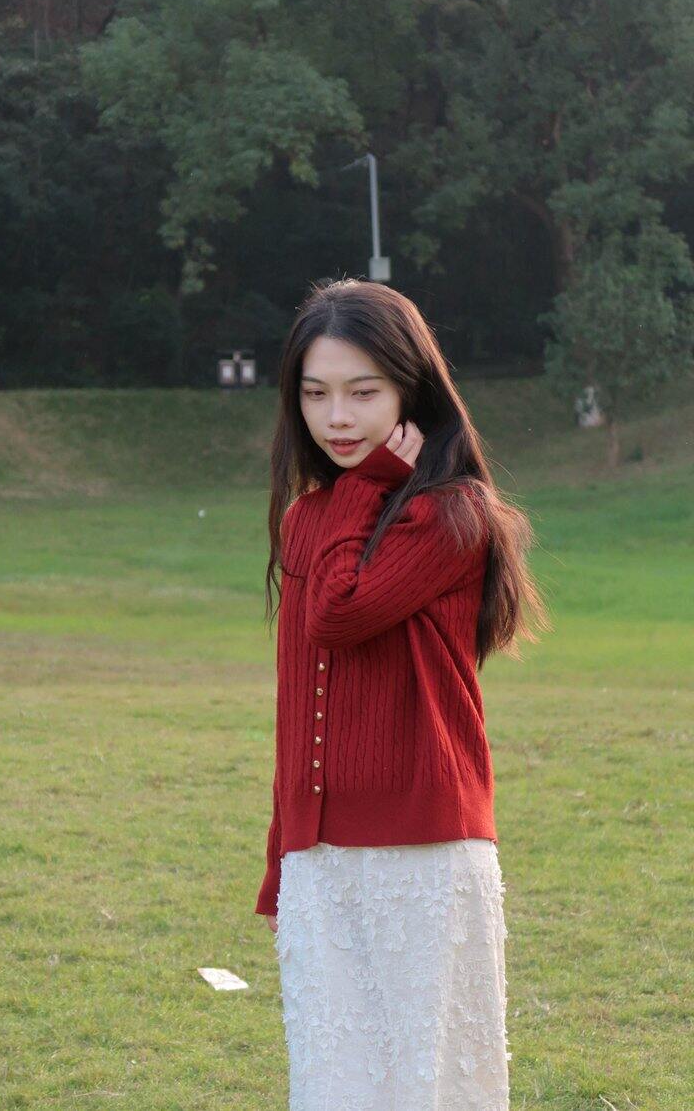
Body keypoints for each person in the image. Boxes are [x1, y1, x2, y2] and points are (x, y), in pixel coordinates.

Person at [254, 276, 551, 1111]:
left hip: (424, 848)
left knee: (425, 1082)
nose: (337, 418)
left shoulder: (454, 515)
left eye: (363, 392)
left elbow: (339, 617)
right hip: (323, 856)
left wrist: (363, 488)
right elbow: (299, 697)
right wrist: (284, 850)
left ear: (411, 392)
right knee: (333, 1081)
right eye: (315, 394)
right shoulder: (308, 518)